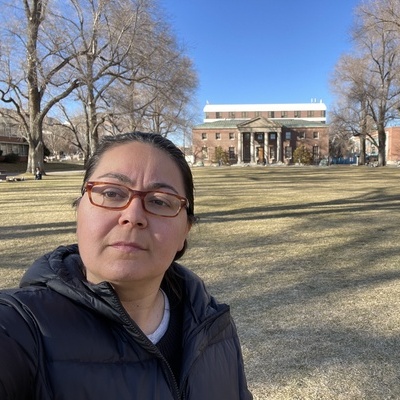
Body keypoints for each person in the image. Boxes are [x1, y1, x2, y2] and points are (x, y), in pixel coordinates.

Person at [0, 132, 252, 400]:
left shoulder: (213, 327)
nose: (133, 216)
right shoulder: (21, 328)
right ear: (79, 212)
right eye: (111, 192)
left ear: (184, 233)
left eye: (159, 201)